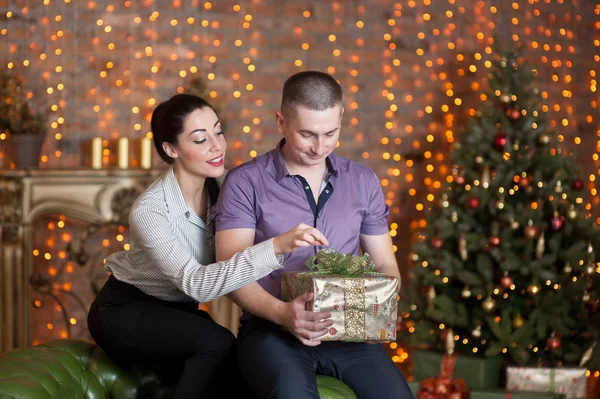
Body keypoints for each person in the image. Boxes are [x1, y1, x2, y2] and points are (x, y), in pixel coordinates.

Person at [87, 93, 328, 399]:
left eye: (218, 131)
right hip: (123, 311)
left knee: (237, 360)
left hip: (179, 314)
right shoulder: (150, 211)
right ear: (171, 148)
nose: (217, 146)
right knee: (216, 343)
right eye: (200, 139)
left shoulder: (229, 187)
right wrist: (277, 246)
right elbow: (197, 285)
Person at [212, 71, 413, 398]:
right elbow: (229, 270)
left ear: (341, 118)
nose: (320, 146)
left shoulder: (363, 181)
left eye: (330, 132)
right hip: (271, 332)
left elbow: (387, 267)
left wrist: (376, 303)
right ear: (281, 122)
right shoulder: (245, 182)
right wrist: (283, 314)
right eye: (307, 134)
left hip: (349, 336)